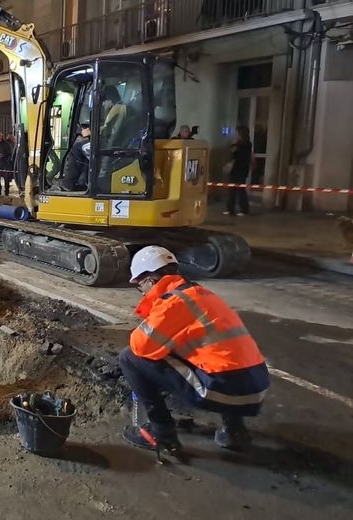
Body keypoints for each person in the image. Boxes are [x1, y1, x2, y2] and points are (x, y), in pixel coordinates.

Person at [119, 246, 269, 453]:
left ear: (150, 281)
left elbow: (140, 346)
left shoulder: (173, 302)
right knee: (215, 357)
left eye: (139, 285)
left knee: (129, 358)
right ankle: (234, 431)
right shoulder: (201, 293)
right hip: (256, 388)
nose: (141, 292)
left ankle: (161, 434)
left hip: (223, 389)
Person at [224, 125, 252, 216]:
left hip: (241, 170)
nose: (235, 135)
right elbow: (232, 151)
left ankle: (244, 209)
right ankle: (230, 209)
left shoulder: (246, 144)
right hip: (234, 170)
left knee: (240, 190)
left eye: (237, 133)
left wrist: (234, 146)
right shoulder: (237, 144)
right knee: (231, 190)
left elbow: (237, 153)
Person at [60, 123, 91, 192]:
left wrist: (92, 132)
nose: (82, 129)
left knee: (77, 148)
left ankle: (68, 184)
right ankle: (82, 183)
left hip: (105, 144)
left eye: (85, 127)